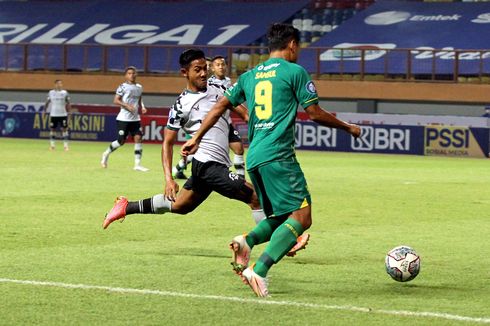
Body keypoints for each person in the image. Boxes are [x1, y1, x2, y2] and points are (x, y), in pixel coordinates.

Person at [182, 23, 361, 297]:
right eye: (298, 46)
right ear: (291, 45)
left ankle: (246, 241)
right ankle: (259, 270)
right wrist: (348, 127)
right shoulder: (295, 72)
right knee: (303, 217)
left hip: (255, 156)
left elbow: (220, 106)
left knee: (280, 217)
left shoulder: (250, 75)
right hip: (279, 155)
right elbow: (314, 113)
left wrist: (196, 137)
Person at [102, 49, 308, 259]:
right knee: (255, 197)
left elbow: (244, 113)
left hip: (213, 165)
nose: (203, 74)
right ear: (185, 72)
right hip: (208, 165)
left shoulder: (219, 86)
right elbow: (167, 142)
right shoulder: (180, 105)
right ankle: (283, 242)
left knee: (180, 206)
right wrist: (168, 178)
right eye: (197, 70)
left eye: (205, 69)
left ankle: (126, 207)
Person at [172, 55, 246, 178]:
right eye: (218, 65)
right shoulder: (208, 84)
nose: (221, 67)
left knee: (239, 149)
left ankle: (241, 179)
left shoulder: (227, 81)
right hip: (212, 124)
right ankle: (179, 167)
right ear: (212, 68)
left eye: (223, 64)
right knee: (198, 150)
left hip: (226, 122)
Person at [101, 66, 149, 171]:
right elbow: (116, 100)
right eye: (129, 73)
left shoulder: (139, 87)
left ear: (136, 75)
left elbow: (140, 99)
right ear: (126, 75)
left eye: (133, 73)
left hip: (135, 119)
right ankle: (106, 154)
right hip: (123, 119)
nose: (132, 75)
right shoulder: (122, 87)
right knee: (121, 141)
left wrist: (143, 107)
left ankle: (137, 165)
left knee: (138, 138)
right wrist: (127, 105)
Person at [44, 79, 71, 151]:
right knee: (52, 129)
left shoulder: (65, 93)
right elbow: (47, 102)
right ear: (55, 85)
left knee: (64, 130)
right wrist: (44, 111)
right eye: (58, 84)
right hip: (53, 114)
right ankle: (52, 146)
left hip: (63, 114)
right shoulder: (51, 93)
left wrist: (70, 113)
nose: (60, 85)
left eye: (61, 84)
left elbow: (68, 103)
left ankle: (66, 146)